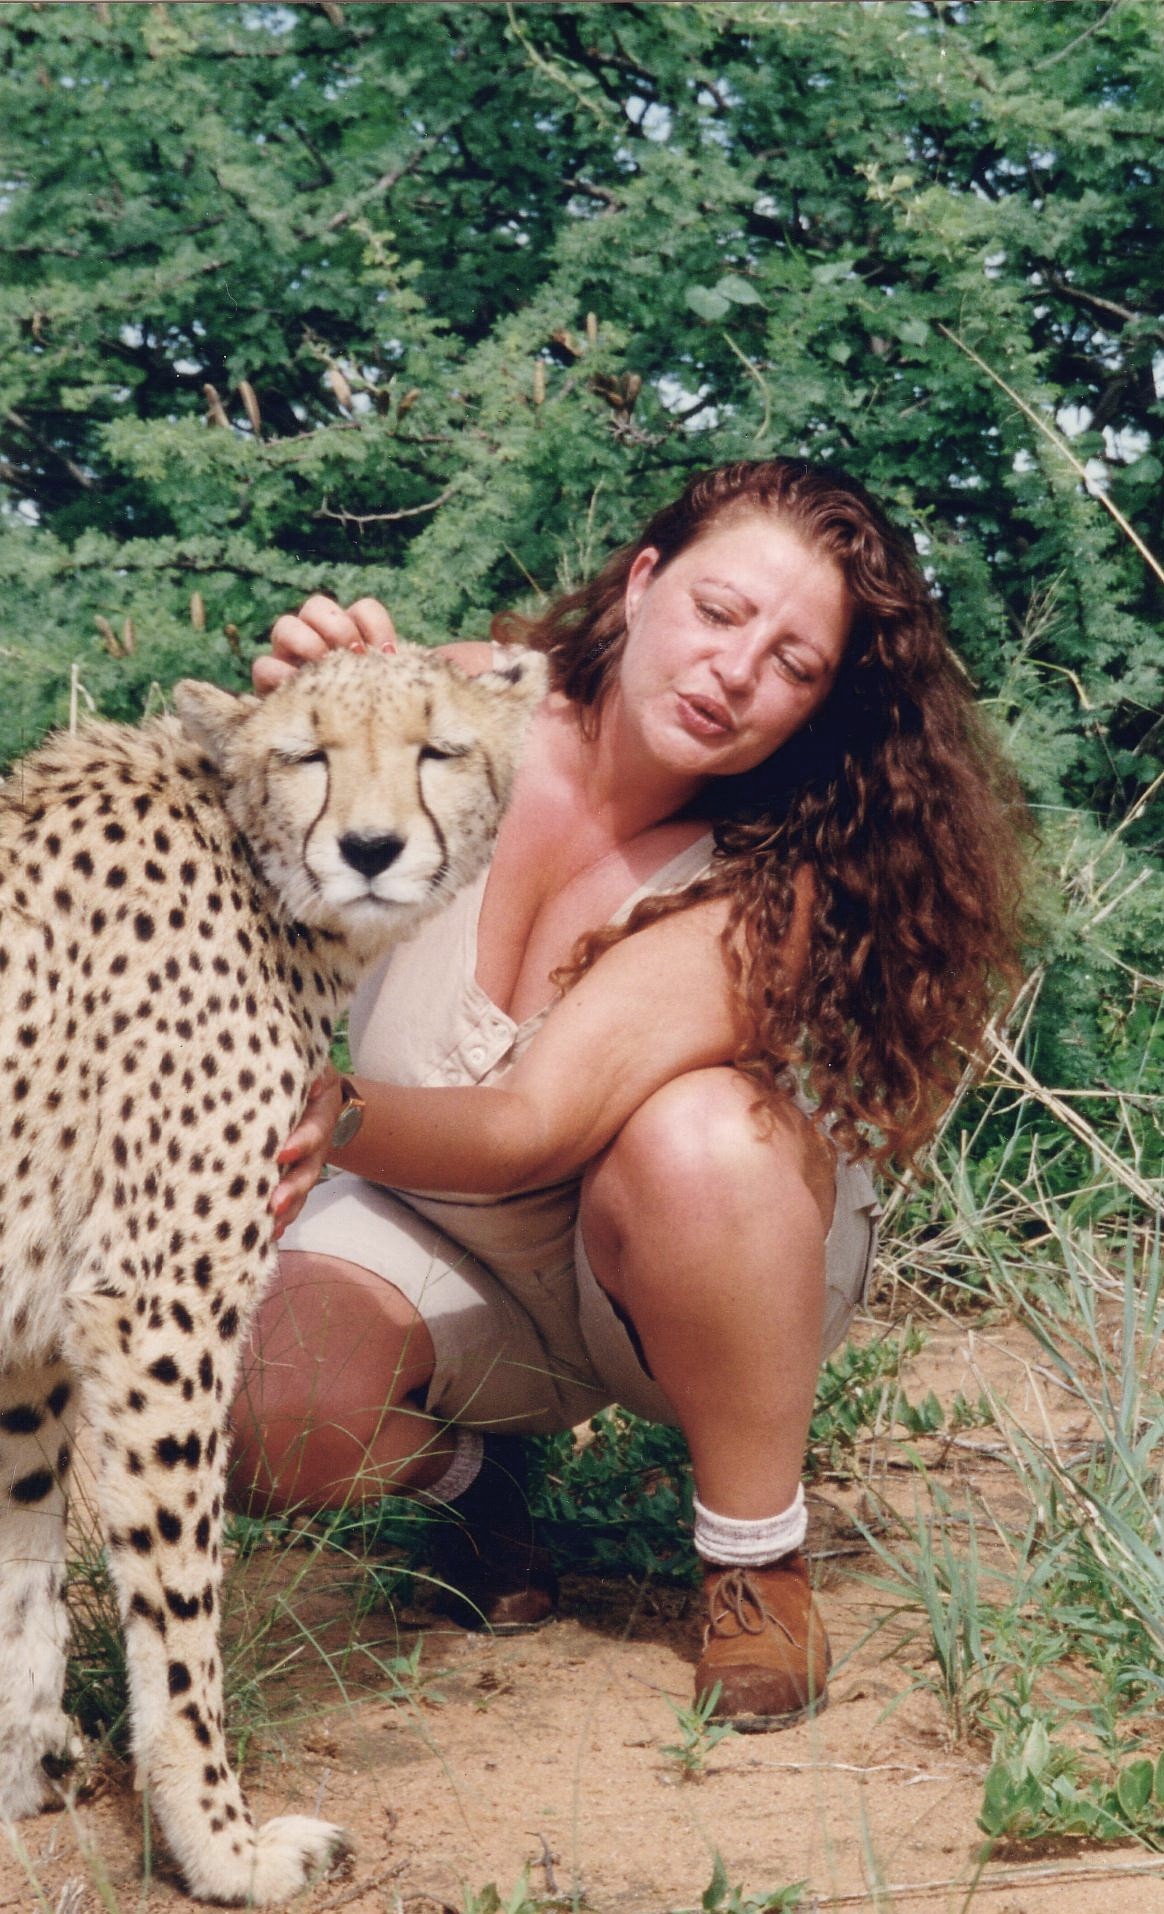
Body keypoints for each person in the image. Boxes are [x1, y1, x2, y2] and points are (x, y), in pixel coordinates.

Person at [230, 457, 1027, 1730]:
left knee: (703, 1132)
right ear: (644, 584)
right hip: (430, 1231)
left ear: (816, 710)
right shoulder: (440, 710)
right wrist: (289, 728)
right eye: (720, 613)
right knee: (250, 1404)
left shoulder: (782, 881)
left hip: (681, 1255)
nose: (734, 673)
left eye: (793, 663)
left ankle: (755, 1560)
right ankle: (474, 1491)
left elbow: (528, 1128)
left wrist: (338, 1112)